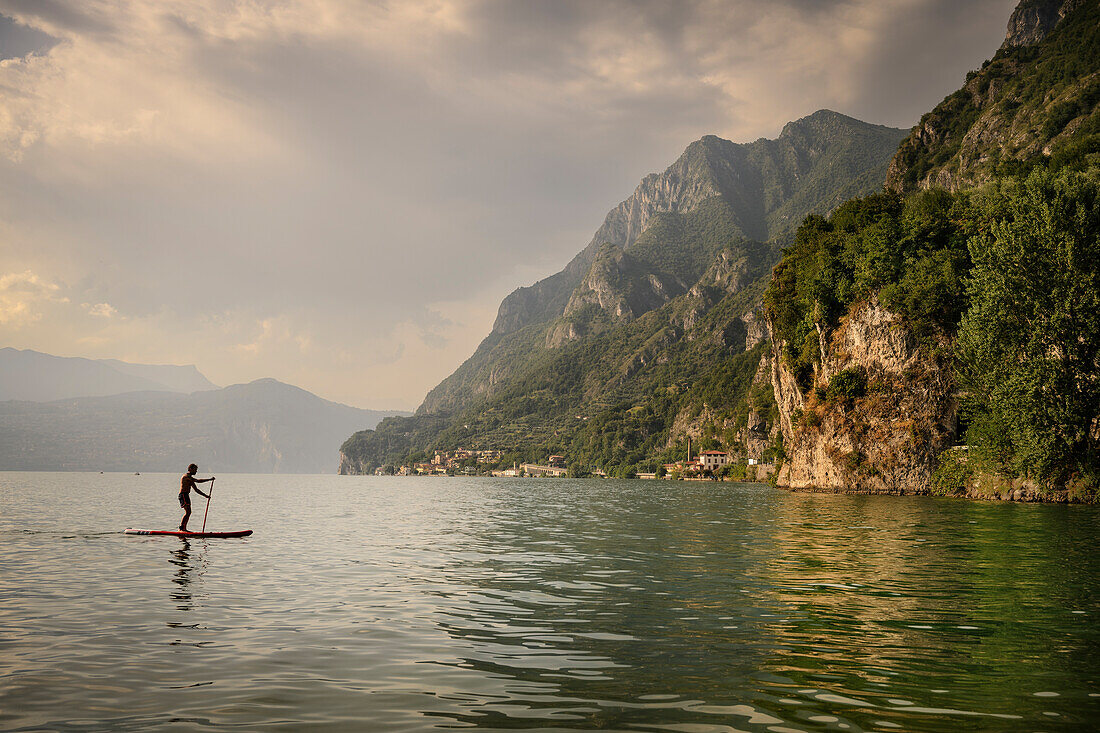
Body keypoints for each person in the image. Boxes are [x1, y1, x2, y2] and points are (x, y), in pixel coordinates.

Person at [179, 463, 215, 532]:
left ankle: (183, 528)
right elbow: (198, 481)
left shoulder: (191, 480)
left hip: (186, 495)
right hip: (183, 495)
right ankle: (182, 528)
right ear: (190, 469)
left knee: (189, 512)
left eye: (196, 470)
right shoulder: (186, 477)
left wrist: (206, 496)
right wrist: (209, 479)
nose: (196, 471)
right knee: (188, 512)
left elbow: (196, 490)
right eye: (195, 470)